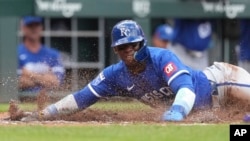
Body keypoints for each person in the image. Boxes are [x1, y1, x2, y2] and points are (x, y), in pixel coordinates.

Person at [22, 20, 250, 122]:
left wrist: (178, 111)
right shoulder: (115, 74)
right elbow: (82, 98)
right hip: (209, 110)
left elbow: (186, 89)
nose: (129, 49)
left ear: (142, 43)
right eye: (123, 46)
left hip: (222, 82)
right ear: (116, 50)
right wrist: (45, 113)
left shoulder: (162, 57)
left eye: (134, 44)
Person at [17, 16, 65, 103]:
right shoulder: (16, 53)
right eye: (30, 26)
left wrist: (30, 74)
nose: (34, 29)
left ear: (41, 28)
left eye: (37, 26)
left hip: (49, 101)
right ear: (23, 28)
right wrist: (45, 78)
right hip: (22, 101)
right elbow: (17, 82)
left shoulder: (53, 54)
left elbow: (56, 82)